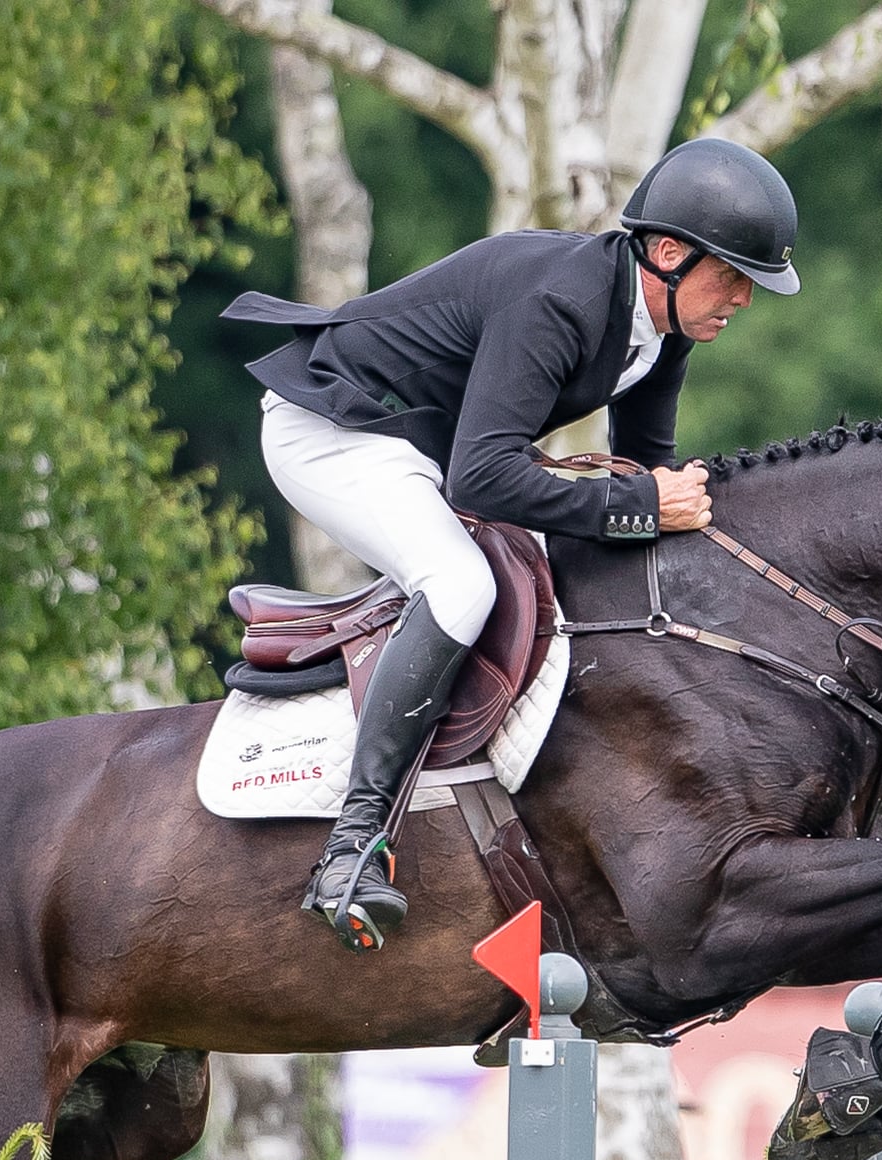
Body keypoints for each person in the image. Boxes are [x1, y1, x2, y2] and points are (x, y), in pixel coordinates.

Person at [224, 137, 798, 948]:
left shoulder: (665, 328)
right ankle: (353, 847)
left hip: (427, 441)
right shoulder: (560, 299)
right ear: (669, 253)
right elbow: (485, 481)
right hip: (334, 429)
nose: (743, 298)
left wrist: (668, 518)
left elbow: (644, 475)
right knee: (462, 587)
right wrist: (640, 502)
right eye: (734, 275)